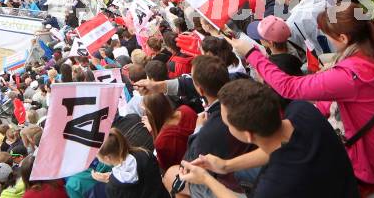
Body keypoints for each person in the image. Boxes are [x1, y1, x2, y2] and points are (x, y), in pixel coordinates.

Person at [229, 4, 374, 193]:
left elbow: (288, 87)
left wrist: (252, 54)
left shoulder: (351, 76)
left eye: (328, 36)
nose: (328, 40)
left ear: (343, 38)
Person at [178, 79, 360, 198]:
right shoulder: (303, 111)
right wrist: (225, 165)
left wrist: (206, 179)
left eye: (228, 124)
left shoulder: (273, 186)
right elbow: (279, 145)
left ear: (247, 135)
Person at [163, 55, 253, 198]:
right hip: (241, 167)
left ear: (200, 90)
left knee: (171, 176)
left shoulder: (211, 130)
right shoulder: (246, 83)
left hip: (239, 184)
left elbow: (188, 165)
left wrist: (198, 130)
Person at [92, 128, 168, 198]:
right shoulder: (144, 154)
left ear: (107, 158)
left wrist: (111, 181)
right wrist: (111, 178)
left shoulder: (112, 189)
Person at [143, 93, 197, 171]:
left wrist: (153, 132)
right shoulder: (186, 109)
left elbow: (167, 168)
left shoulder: (161, 141)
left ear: (150, 114)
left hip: (187, 170)